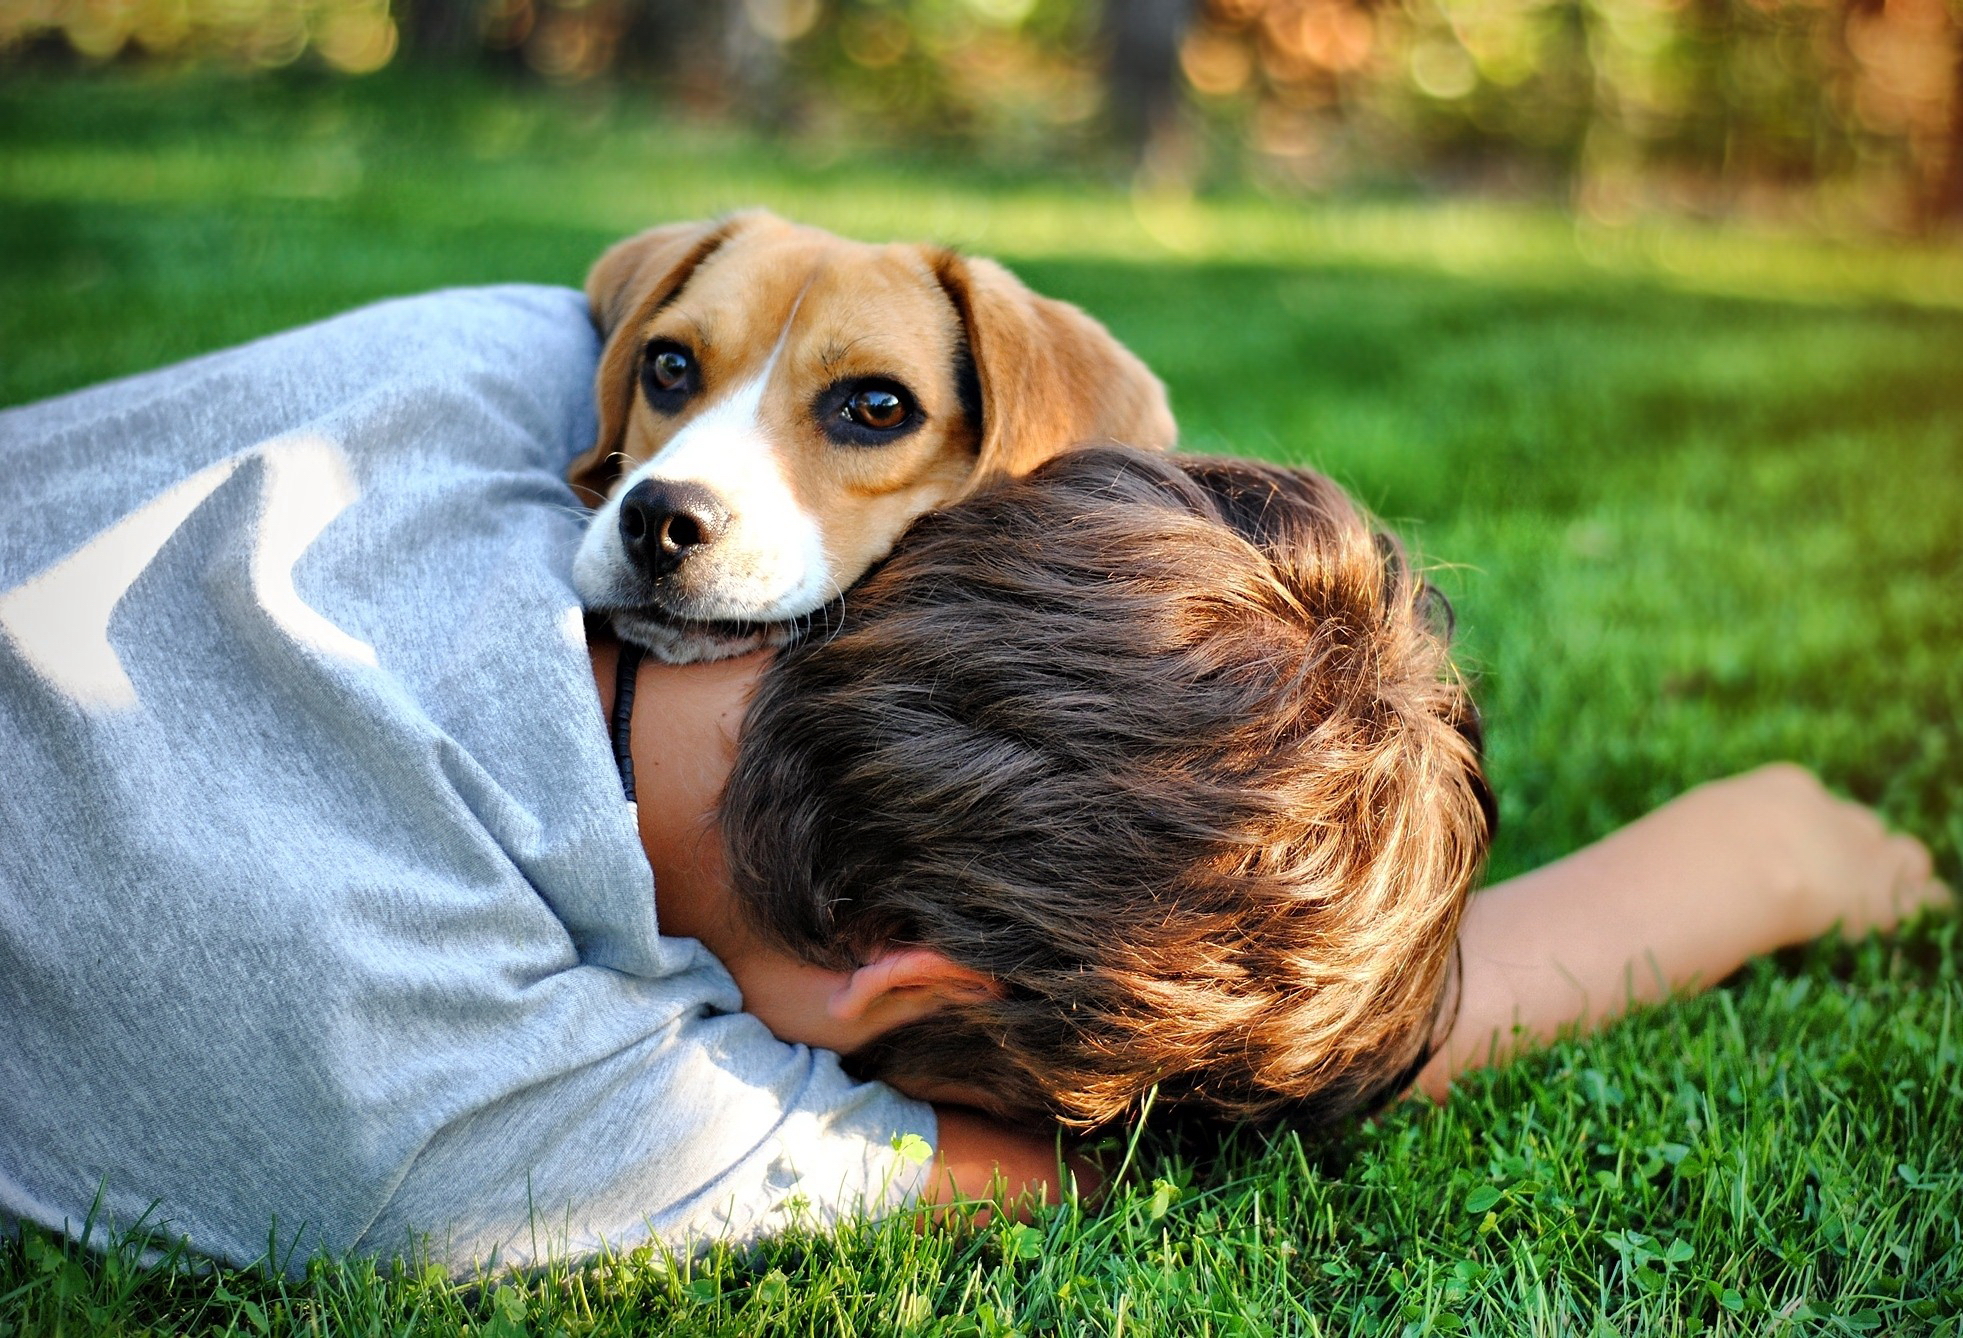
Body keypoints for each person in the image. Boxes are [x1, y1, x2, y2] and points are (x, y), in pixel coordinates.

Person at [0, 288, 1943, 1276]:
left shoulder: (535, 363)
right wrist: (1751, 861)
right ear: (900, 995)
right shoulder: (477, 1080)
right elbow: (1092, 1157)